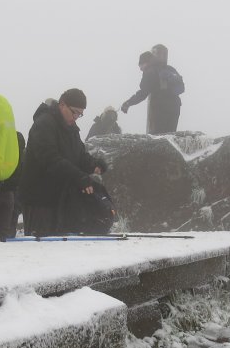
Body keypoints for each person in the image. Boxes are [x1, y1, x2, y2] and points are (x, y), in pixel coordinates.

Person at [20, 89, 106, 237]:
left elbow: (79, 155)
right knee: (41, 251)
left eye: (80, 114)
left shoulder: (72, 129)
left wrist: (94, 165)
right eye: (75, 112)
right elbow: (49, 160)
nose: (77, 117)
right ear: (62, 105)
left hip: (62, 201)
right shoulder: (44, 124)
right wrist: (79, 177)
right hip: (40, 201)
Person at [120, 44, 185, 134]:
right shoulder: (170, 69)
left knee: (157, 137)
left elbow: (143, 93)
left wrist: (128, 103)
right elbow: (182, 88)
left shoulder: (150, 71)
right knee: (170, 136)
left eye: (141, 65)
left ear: (146, 62)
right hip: (175, 107)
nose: (140, 69)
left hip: (159, 108)